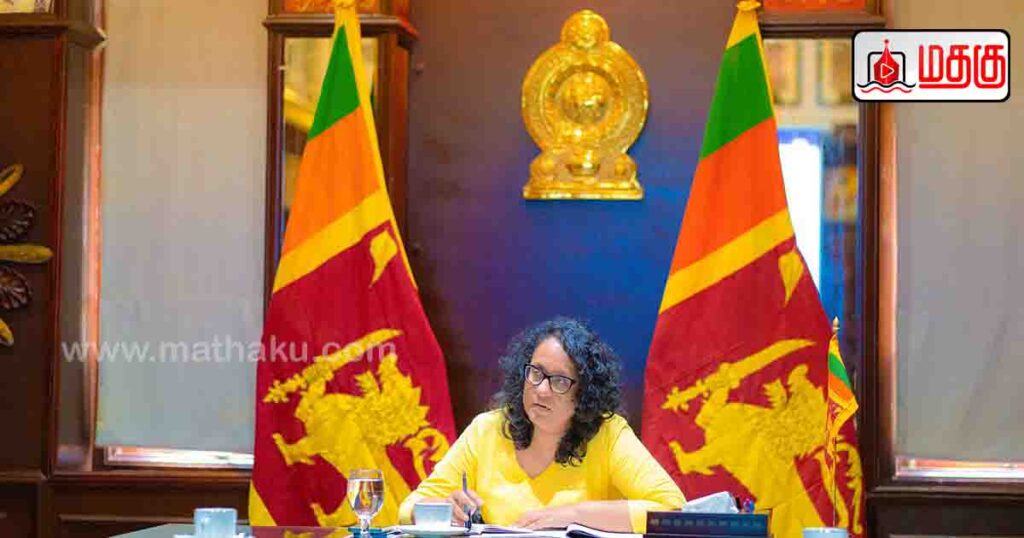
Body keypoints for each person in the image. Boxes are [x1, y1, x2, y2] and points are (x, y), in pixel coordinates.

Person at [398, 318, 685, 532]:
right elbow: (408, 509)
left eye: (559, 380)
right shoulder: (487, 429)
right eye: (536, 373)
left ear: (584, 393)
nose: (542, 390)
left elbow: (672, 509)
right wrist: (440, 509)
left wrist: (574, 514)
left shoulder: (608, 434)